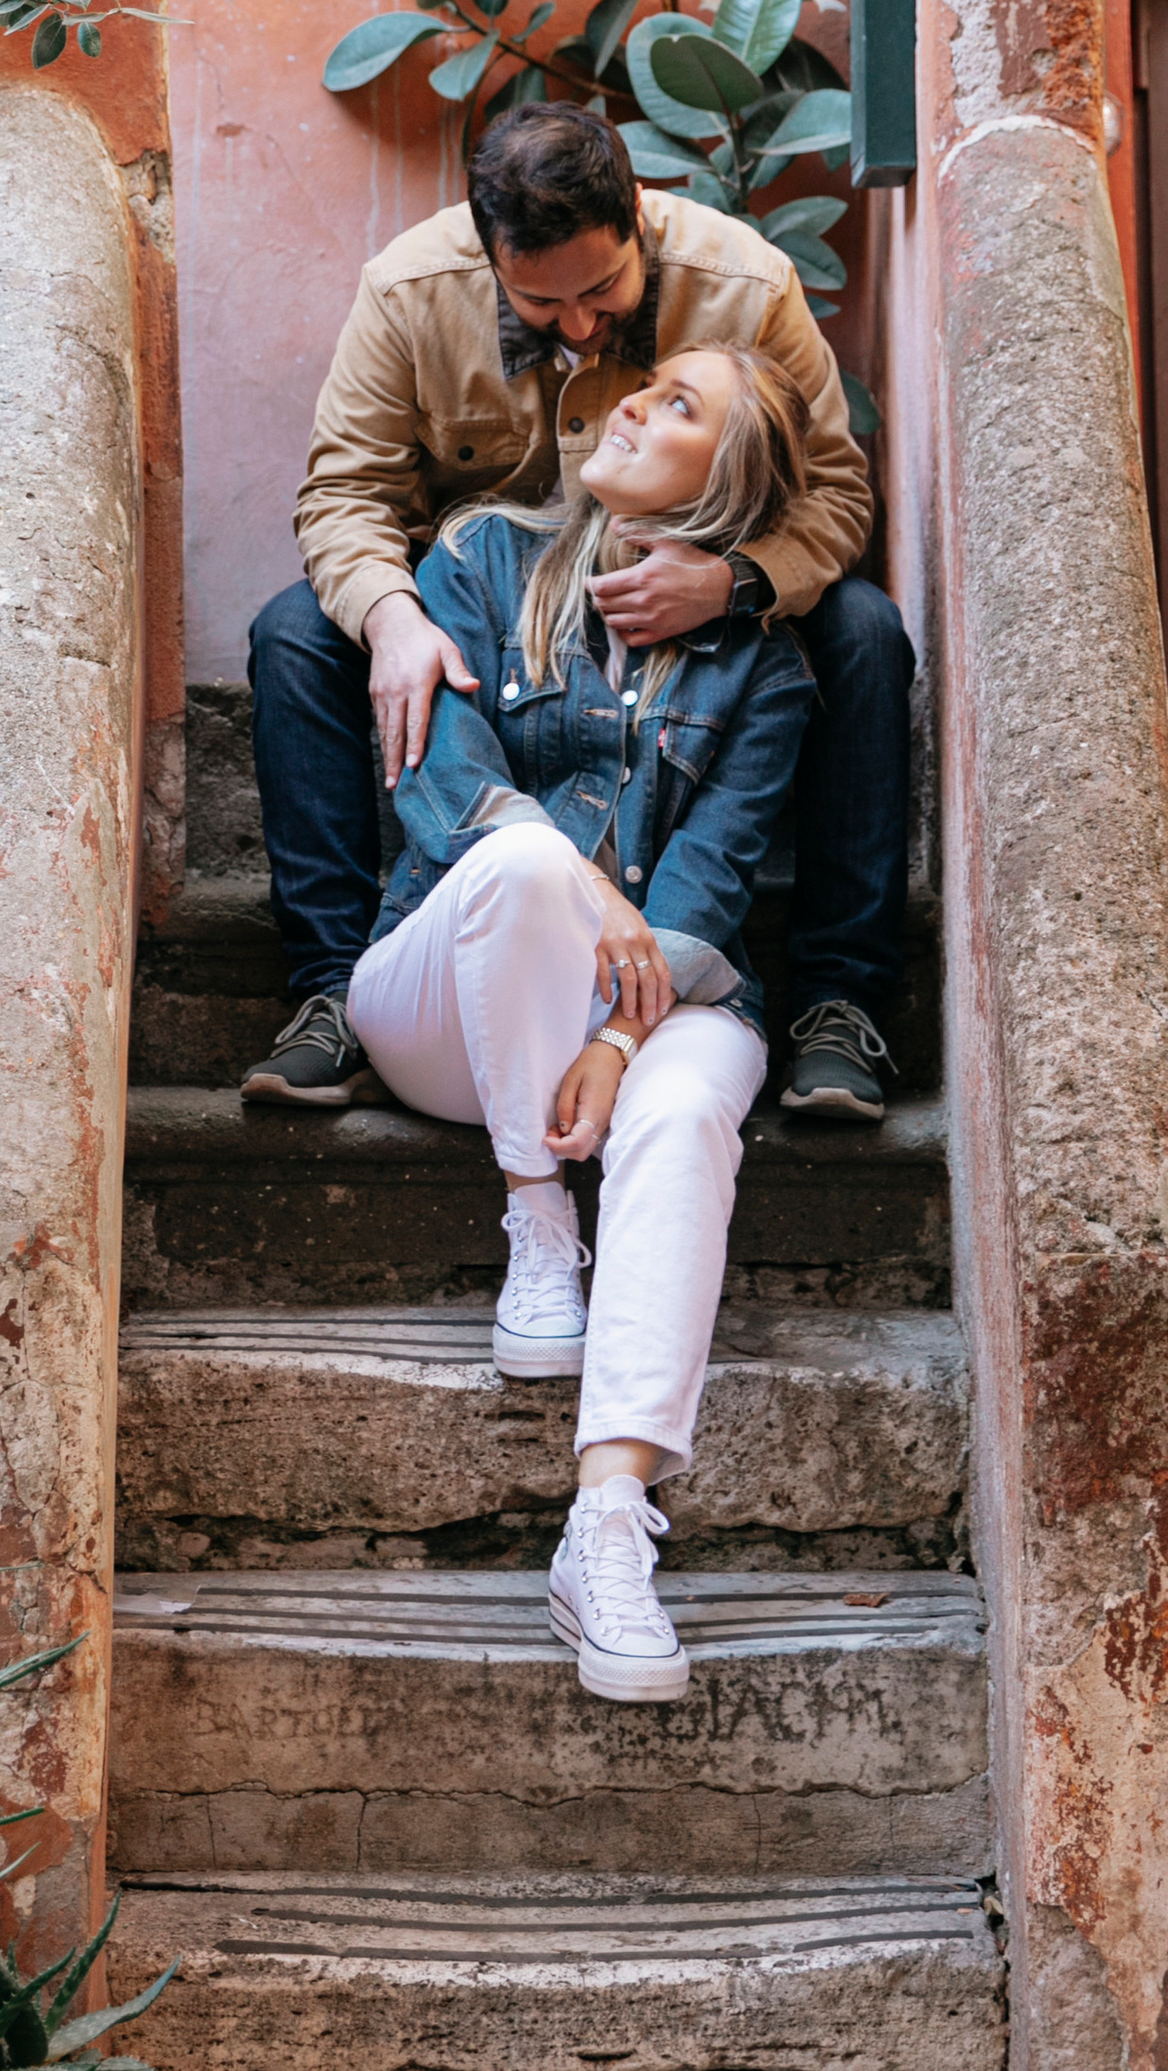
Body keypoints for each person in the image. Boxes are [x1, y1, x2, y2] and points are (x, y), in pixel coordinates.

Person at [244, 105, 913, 1116]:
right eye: (540, 302)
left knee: (861, 631)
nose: (580, 324)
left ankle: (837, 1002)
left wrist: (729, 584)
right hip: (476, 607)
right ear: (488, 253)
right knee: (294, 635)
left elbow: (834, 493)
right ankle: (335, 992)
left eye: (601, 290)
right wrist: (393, 619)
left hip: (702, 621)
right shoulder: (407, 292)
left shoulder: (746, 282)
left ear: (639, 217)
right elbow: (345, 496)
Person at [344, 341, 818, 1700]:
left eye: (680, 410)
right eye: (647, 386)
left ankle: (607, 1525)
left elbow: (711, 889)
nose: (633, 404)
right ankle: (538, 1223)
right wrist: (589, 893)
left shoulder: (764, 679)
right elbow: (435, 784)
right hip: (449, 998)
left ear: (719, 487)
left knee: (687, 1103)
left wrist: (615, 1045)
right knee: (519, 858)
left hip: (658, 1014)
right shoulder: (479, 565)